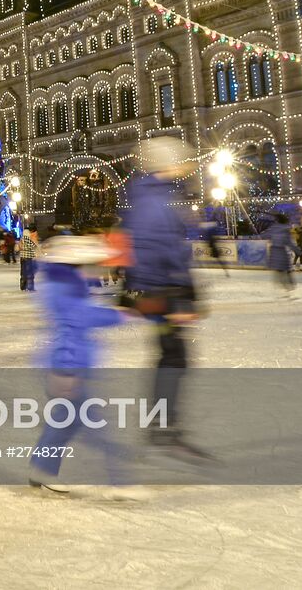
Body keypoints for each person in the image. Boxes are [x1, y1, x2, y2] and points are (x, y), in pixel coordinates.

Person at [27, 235, 143, 500]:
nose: (96, 267)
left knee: (65, 421)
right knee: (95, 425)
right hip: (69, 363)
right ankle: (120, 484)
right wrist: (122, 314)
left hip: (67, 362)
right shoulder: (64, 286)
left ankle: (41, 467)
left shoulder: (63, 281)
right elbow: (80, 318)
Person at [121, 136, 210, 460]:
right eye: (181, 161)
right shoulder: (152, 202)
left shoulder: (158, 195)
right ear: (166, 163)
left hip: (162, 289)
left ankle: (162, 425)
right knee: (173, 357)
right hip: (161, 291)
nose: (187, 167)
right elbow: (152, 250)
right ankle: (162, 428)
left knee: (171, 356)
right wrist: (176, 298)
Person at [263, 212, 300, 298]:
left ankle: (285, 288)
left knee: (279, 271)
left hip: (274, 252)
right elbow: (290, 242)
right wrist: (298, 251)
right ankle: (290, 289)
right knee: (288, 270)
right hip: (283, 252)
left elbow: (264, 235)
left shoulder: (273, 228)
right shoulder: (286, 229)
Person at [19, 227, 40, 291]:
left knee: (23, 273)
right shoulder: (28, 239)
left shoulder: (21, 239)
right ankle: (30, 287)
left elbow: (19, 247)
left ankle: (23, 287)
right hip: (28, 258)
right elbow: (33, 246)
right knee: (30, 273)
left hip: (22, 258)